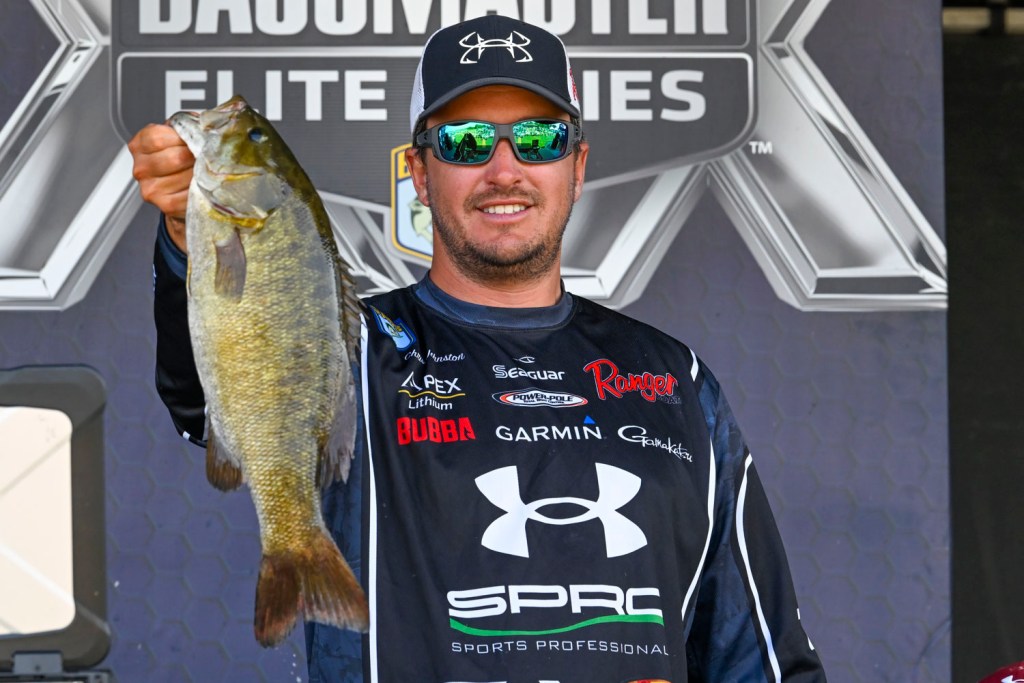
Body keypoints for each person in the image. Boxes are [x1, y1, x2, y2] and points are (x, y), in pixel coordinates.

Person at [129, 15, 827, 683]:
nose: (504, 168)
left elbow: (759, 657)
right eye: (465, 141)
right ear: (419, 171)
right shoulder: (357, 349)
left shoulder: (676, 381)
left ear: (577, 165)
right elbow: (204, 396)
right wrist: (191, 237)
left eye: (540, 138)